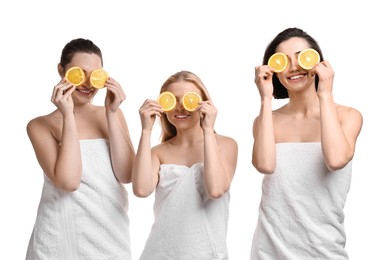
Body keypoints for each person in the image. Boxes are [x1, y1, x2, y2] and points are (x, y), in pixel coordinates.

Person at [250, 27, 363, 259]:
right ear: (275, 71)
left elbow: (336, 159)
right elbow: (264, 165)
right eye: (283, 61)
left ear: (317, 63)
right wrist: (265, 99)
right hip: (269, 250)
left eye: (301, 57)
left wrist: (325, 95)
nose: (293, 67)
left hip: (324, 250)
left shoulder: (348, 116)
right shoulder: (266, 120)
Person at [25, 38, 135, 259]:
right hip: (61, 235)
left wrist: (112, 114)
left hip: (111, 235)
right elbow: (68, 181)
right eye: (79, 73)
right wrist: (68, 115)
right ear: (61, 71)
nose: (87, 84)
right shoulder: (40, 125)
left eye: (94, 74)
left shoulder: (112, 114)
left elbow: (127, 175)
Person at [132, 71, 238, 259]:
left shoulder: (226, 145)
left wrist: (207, 130)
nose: (180, 108)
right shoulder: (158, 152)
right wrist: (146, 131)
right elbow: (141, 190)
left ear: (204, 104)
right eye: (172, 100)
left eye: (188, 100)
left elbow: (215, 190)